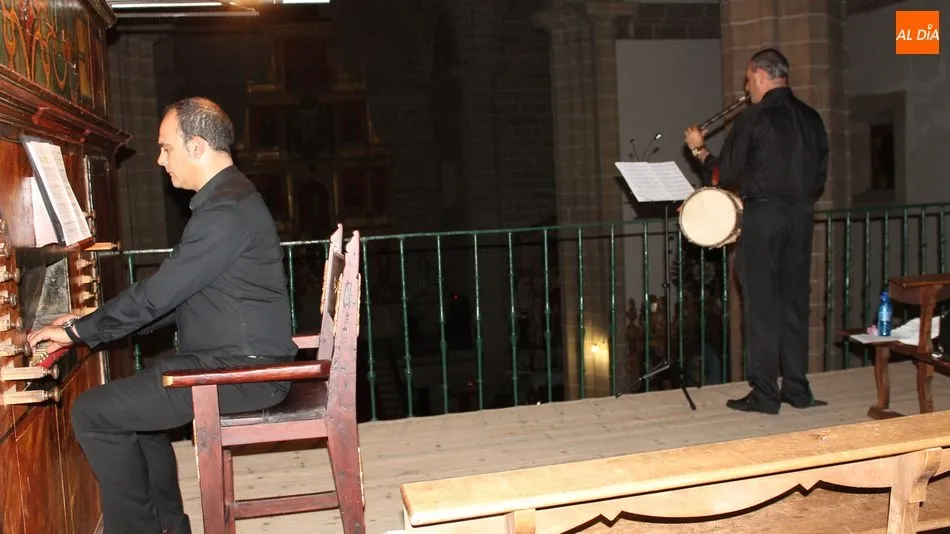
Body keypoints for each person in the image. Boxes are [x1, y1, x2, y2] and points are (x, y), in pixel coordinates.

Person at [27, 97, 299, 533]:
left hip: (245, 374)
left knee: (93, 412)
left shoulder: (226, 211)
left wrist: (79, 332)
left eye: (166, 148)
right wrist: (87, 321)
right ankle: (170, 526)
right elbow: (174, 297)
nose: (159, 159)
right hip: (228, 362)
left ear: (197, 146)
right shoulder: (228, 200)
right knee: (137, 409)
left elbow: (157, 296)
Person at [683, 48, 829, 415]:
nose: (747, 86)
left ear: (762, 76)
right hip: (801, 217)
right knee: (794, 303)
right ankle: (797, 389)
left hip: (763, 217)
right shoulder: (812, 118)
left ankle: (765, 394)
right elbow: (819, 178)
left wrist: (700, 151)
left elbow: (725, 175)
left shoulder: (753, 118)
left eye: (749, 79)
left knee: (761, 306)